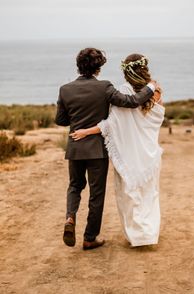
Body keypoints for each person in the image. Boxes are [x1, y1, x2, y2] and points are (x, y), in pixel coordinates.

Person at [55, 48, 157, 250]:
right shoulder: (104, 87)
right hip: (97, 151)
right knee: (96, 193)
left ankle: (70, 217)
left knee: (75, 186)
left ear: (78, 65)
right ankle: (89, 238)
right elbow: (132, 102)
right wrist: (150, 88)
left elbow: (60, 120)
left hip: (75, 147)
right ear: (99, 67)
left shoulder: (65, 89)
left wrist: (76, 120)